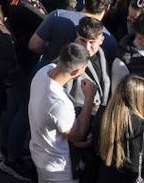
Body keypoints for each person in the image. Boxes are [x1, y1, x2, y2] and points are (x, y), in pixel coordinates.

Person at [27, 43, 98, 183]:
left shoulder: (43, 71)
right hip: (59, 170)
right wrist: (89, 98)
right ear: (75, 72)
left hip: (39, 156)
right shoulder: (59, 104)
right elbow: (77, 136)